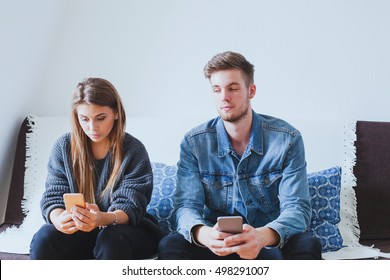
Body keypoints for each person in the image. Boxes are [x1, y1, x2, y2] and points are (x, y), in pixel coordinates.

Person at [158, 51, 322, 260]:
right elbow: (186, 207)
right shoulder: (194, 142)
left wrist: (262, 237)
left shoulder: (287, 140)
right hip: (214, 243)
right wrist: (207, 235)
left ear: (251, 91)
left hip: (267, 240)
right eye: (217, 90)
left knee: (307, 244)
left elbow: (297, 208)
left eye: (233, 88)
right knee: (171, 244)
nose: (224, 97)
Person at [30, 78, 163, 259]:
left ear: (116, 113)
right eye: (84, 119)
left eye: (101, 118)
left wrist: (102, 218)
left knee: (111, 239)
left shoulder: (133, 150)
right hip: (82, 233)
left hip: (126, 231)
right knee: (45, 238)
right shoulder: (63, 147)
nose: (92, 128)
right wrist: (59, 219)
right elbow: (53, 196)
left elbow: (131, 205)